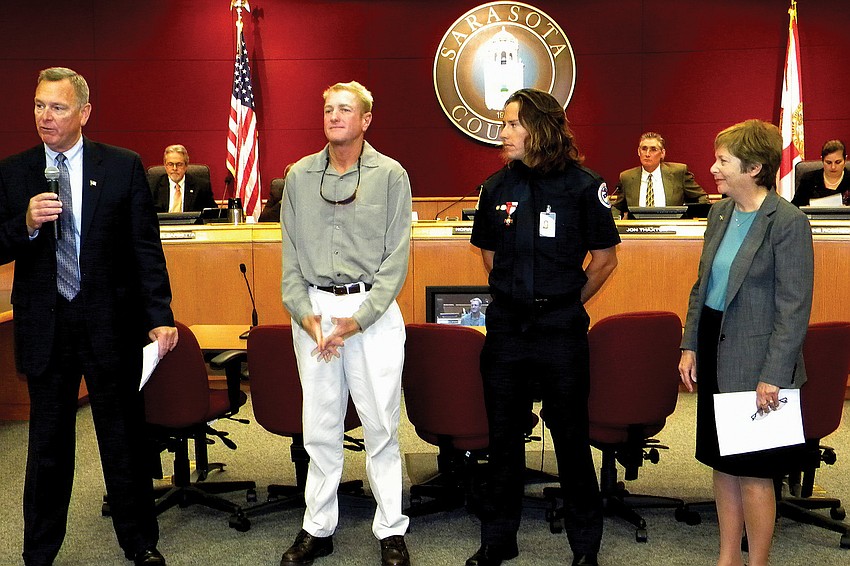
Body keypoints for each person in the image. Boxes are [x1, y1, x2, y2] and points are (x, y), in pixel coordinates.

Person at [0, 67, 178, 566]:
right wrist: (26, 223)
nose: (44, 117)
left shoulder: (122, 167)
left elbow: (146, 248)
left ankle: (140, 542)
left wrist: (159, 315)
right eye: (38, 105)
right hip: (45, 328)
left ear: (84, 112)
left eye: (56, 107)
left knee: (123, 441)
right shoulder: (14, 173)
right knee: (47, 447)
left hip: (109, 326)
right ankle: (38, 550)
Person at [469, 88, 620, 566]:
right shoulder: (495, 188)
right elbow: (490, 258)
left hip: (560, 327)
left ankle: (584, 546)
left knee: (570, 436)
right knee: (503, 436)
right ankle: (498, 538)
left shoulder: (583, 186)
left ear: (542, 128)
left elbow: (604, 261)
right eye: (504, 122)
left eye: (514, 123)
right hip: (508, 327)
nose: (504, 132)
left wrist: (564, 301)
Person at [279, 81, 411, 566]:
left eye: (345, 109)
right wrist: (306, 315)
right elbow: (289, 258)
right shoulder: (298, 175)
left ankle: (391, 529)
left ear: (366, 119)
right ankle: (318, 527)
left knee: (380, 425)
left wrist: (357, 321)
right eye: (328, 108)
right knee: (319, 427)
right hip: (313, 313)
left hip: (370, 316)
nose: (335, 116)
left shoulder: (391, 175)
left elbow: (396, 262)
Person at [678, 119, 813, 566]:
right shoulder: (720, 213)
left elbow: (793, 308)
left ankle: (757, 562)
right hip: (716, 349)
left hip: (760, 363)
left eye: (722, 161)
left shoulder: (787, 222)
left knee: (755, 473)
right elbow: (703, 286)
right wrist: (690, 344)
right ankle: (727, 558)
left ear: (754, 167)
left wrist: (774, 375)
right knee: (723, 463)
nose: (712, 169)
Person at [615, 131, 708, 218]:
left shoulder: (678, 172)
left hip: (672, 229)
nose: (647, 154)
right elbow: (617, 207)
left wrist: (691, 217)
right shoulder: (626, 177)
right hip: (637, 230)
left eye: (653, 149)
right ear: (638, 152)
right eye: (644, 149)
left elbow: (701, 198)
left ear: (662, 153)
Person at [149, 144, 217, 213]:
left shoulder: (201, 186)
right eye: (170, 164)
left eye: (179, 164)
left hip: (192, 224)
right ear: (165, 165)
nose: (174, 168)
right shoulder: (153, 186)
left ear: (186, 165)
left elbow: (212, 214)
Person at [791, 139, 849, 206]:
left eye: (838, 162)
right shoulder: (808, 180)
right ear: (822, 160)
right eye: (828, 162)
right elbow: (795, 208)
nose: (833, 167)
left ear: (845, 160)